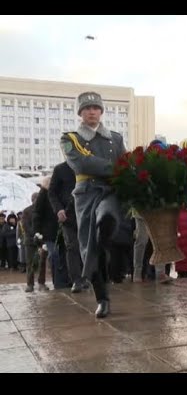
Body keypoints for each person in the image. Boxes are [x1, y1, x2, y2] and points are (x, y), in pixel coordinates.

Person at [60, 91, 126, 318]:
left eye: (96, 108)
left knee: (106, 217)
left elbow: (125, 163)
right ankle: (102, 299)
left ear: (101, 111)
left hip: (110, 192)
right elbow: (82, 163)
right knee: (90, 248)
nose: (92, 112)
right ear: (80, 112)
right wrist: (115, 168)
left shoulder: (115, 138)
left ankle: (107, 236)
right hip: (86, 194)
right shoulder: (71, 139)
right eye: (87, 108)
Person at [48, 160, 86, 292]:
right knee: (72, 246)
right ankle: (76, 280)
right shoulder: (60, 169)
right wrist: (58, 209)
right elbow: (51, 192)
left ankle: (85, 277)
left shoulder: (87, 166)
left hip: (86, 214)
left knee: (86, 247)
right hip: (68, 216)